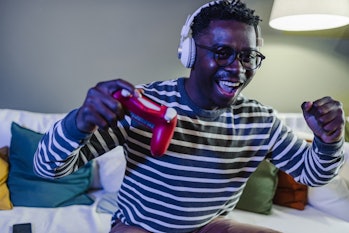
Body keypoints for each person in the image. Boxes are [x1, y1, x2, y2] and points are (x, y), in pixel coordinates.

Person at [34, 1, 345, 232]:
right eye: (221, 52)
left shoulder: (260, 121)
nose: (237, 68)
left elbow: (312, 174)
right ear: (190, 53)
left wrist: (329, 141)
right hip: (139, 227)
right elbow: (47, 169)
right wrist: (79, 123)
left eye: (247, 55)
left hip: (210, 227)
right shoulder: (143, 103)